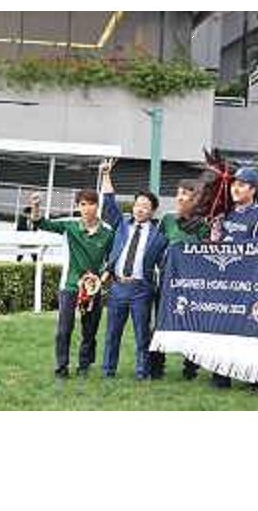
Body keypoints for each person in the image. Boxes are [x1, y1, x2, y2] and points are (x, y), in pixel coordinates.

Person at [30, 189, 113, 379]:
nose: (86, 208)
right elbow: (40, 223)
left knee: (89, 331)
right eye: (82, 204)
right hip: (69, 287)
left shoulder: (108, 232)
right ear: (78, 207)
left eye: (90, 203)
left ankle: (84, 366)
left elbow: (112, 260)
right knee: (63, 330)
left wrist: (101, 280)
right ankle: (61, 367)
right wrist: (36, 206)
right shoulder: (70, 226)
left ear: (97, 206)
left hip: (94, 288)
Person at [100, 159, 168, 380]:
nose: (140, 209)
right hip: (118, 286)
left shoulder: (159, 236)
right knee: (112, 334)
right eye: (138, 204)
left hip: (141, 290)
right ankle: (108, 370)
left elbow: (166, 263)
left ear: (152, 211)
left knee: (142, 335)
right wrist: (106, 175)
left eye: (145, 207)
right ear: (133, 206)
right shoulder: (121, 224)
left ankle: (142, 372)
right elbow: (109, 203)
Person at [211, 166, 258, 388]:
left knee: (249, 331)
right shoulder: (226, 213)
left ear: (253, 190)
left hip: (249, 283)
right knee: (221, 328)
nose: (235, 188)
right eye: (233, 184)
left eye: (241, 185)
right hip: (225, 280)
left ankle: (254, 378)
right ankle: (221, 375)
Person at [152, 178, 211, 380]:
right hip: (167, 283)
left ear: (195, 200)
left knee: (192, 325)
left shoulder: (203, 223)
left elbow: (207, 252)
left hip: (193, 284)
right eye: (178, 193)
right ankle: (156, 367)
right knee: (160, 324)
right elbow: (156, 247)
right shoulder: (167, 219)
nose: (179, 198)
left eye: (185, 194)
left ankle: (190, 369)